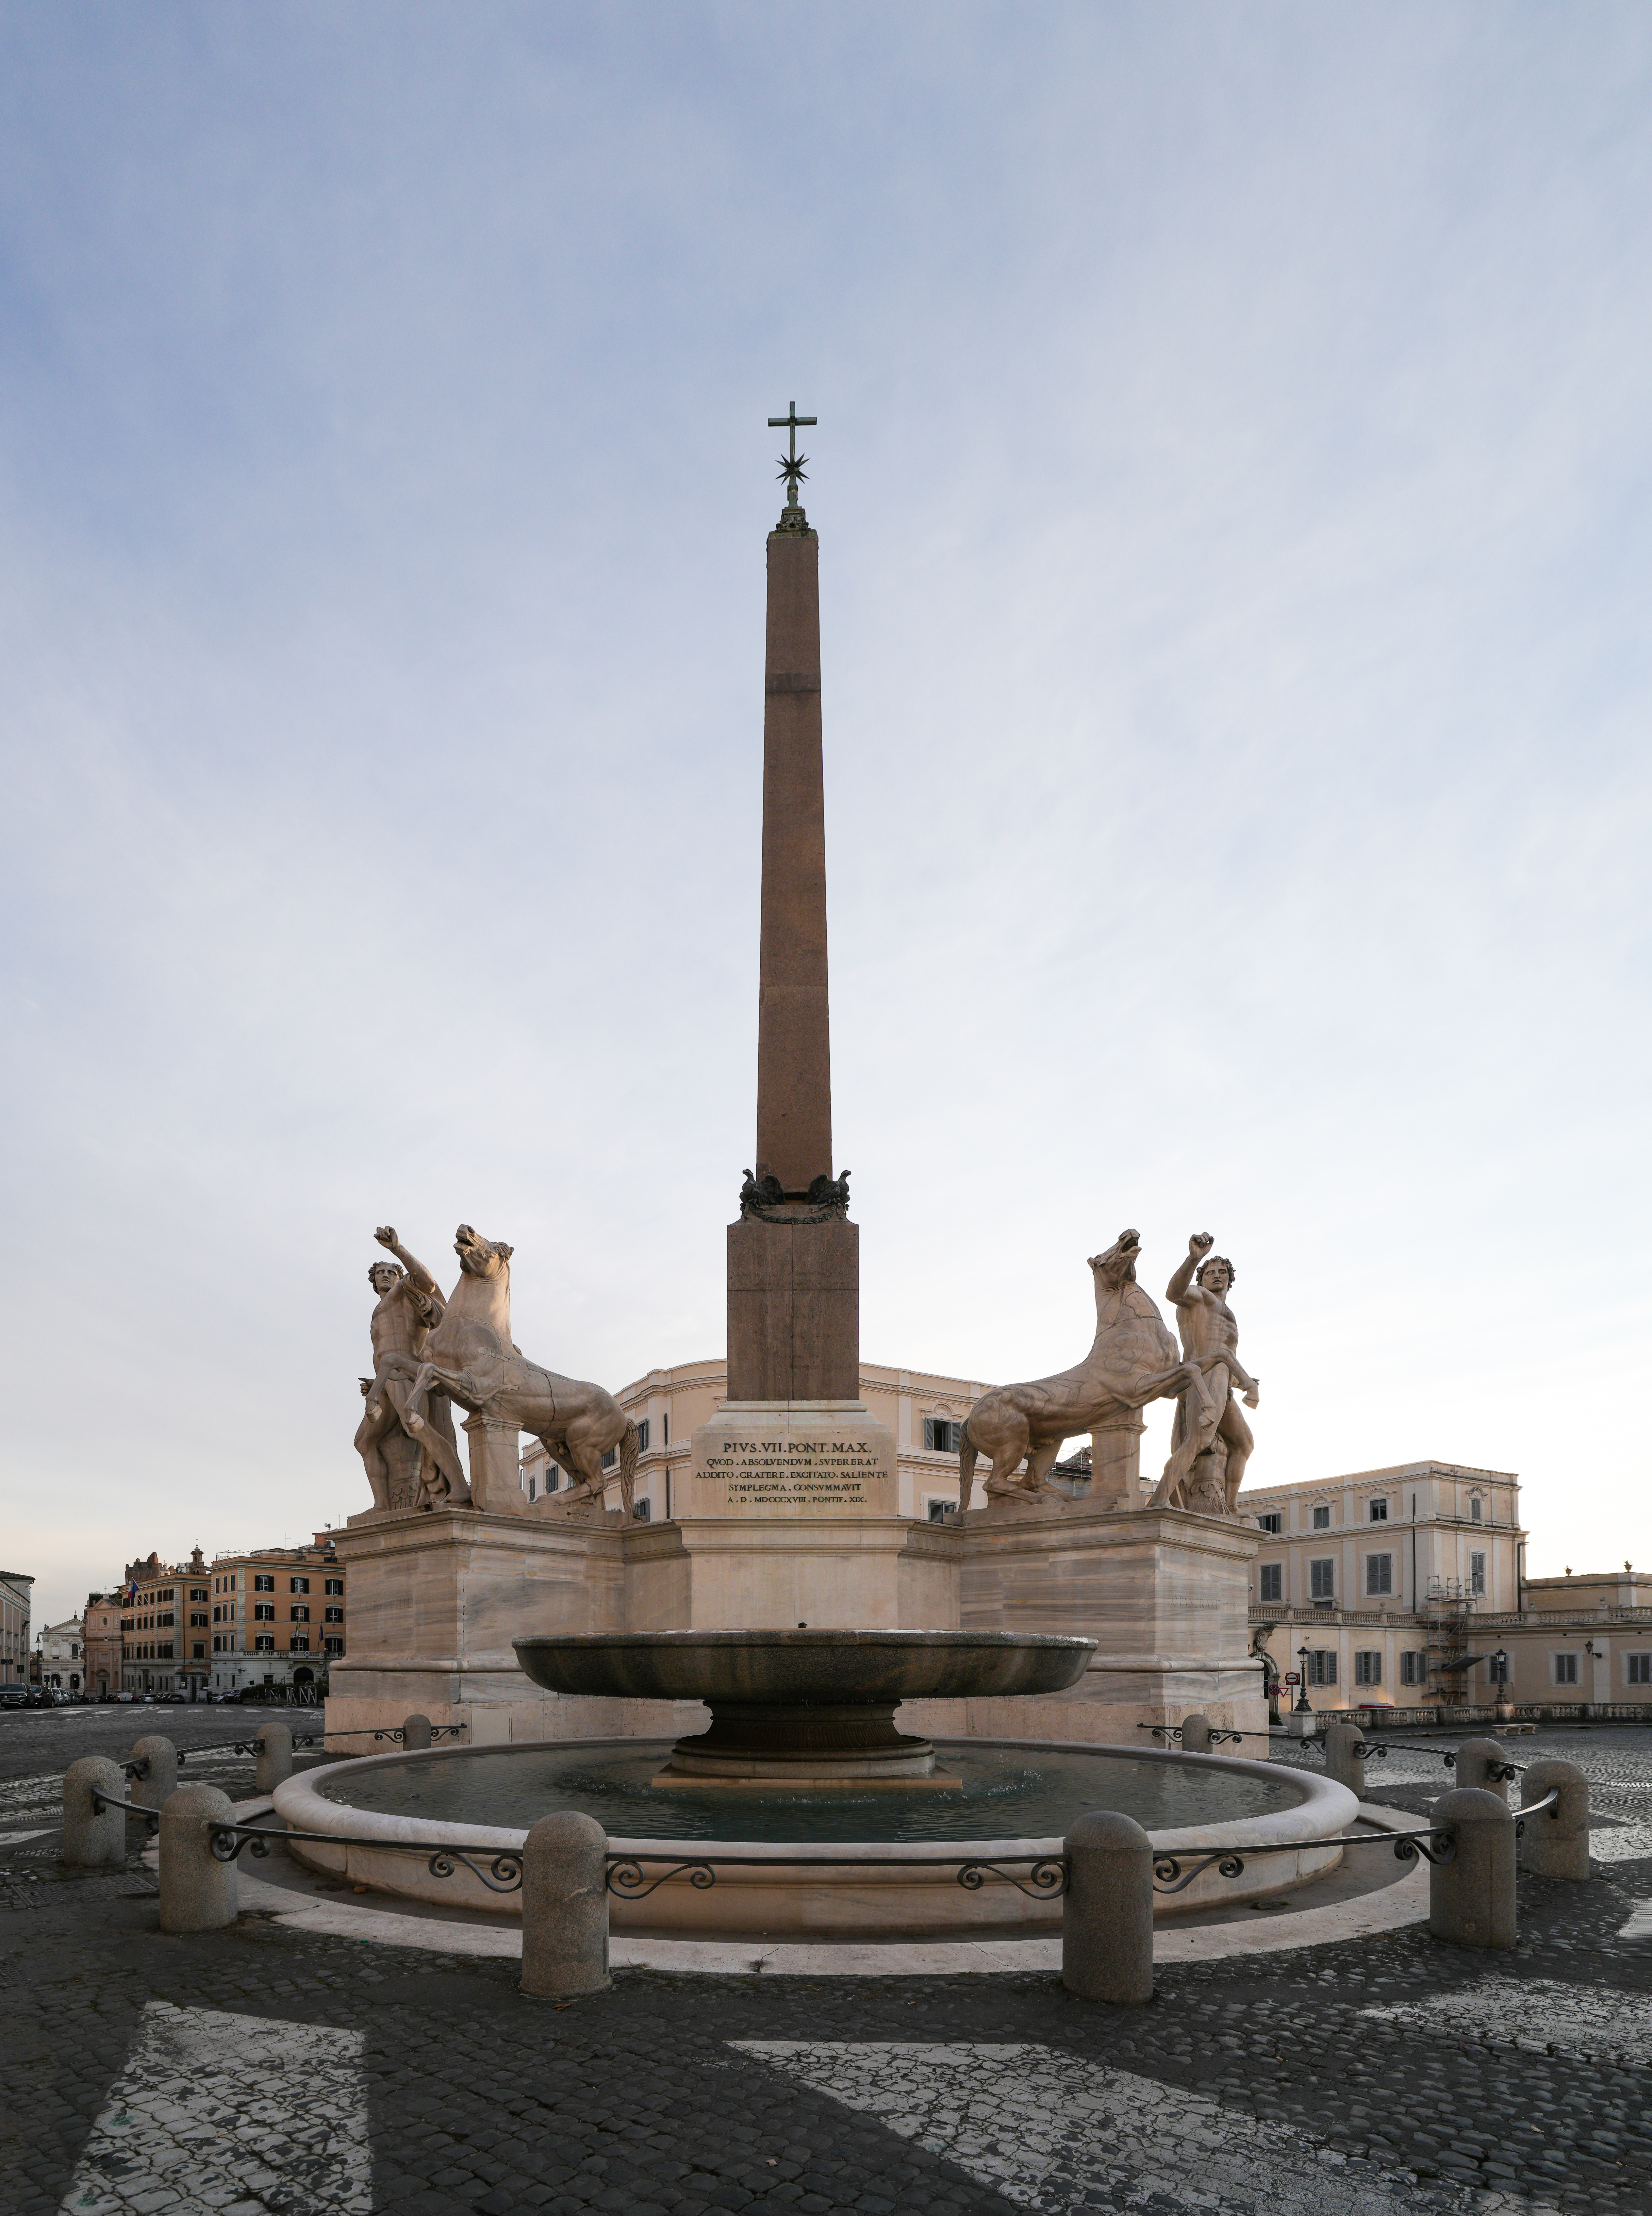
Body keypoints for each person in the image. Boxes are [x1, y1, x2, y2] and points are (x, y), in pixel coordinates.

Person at [1165, 1232, 1259, 1512]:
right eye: (1210, 1272)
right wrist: (1195, 1258)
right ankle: (1162, 1499)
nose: (1217, 1276)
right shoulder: (1199, 1299)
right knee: (1198, 1442)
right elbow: (1174, 1293)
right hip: (1203, 1380)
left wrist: (1240, 1380)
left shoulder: (1225, 1310)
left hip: (1224, 1382)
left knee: (1244, 1444)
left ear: (1230, 1279)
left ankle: (1230, 1506)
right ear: (1201, 1278)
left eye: (1222, 1272)